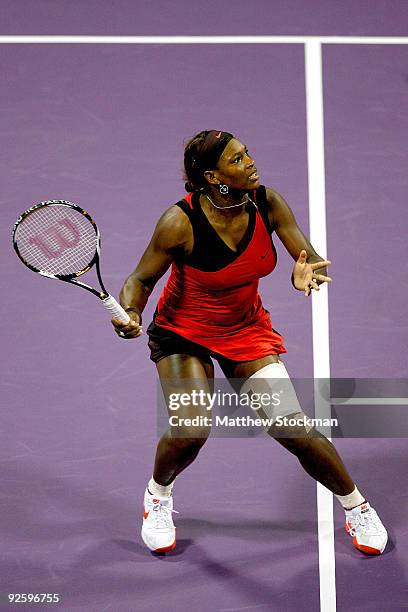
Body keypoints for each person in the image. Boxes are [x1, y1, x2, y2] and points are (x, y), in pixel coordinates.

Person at [111, 130, 387, 556]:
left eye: (247, 153)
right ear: (212, 175)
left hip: (245, 329)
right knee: (190, 429)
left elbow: (306, 256)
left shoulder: (266, 202)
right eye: (238, 159)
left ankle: (357, 507)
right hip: (184, 333)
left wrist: (305, 272)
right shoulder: (179, 223)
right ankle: (157, 496)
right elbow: (140, 279)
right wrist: (131, 312)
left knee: (292, 426)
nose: (251, 162)